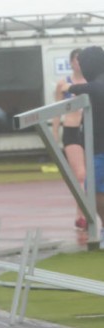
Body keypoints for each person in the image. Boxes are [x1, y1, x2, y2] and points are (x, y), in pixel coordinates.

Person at [63, 45, 104, 247]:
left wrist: (68, 87)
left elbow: (75, 88)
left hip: (100, 149)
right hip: (97, 147)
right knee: (94, 188)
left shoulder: (97, 85)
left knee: (93, 188)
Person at [53, 48, 87, 230]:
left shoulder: (92, 82)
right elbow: (56, 110)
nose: (80, 63)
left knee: (91, 176)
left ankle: (80, 213)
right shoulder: (63, 84)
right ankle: (82, 215)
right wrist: (54, 132)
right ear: (71, 62)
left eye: (83, 59)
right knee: (80, 175)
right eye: (77, 60)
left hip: (90, 130)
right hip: (72, 130)